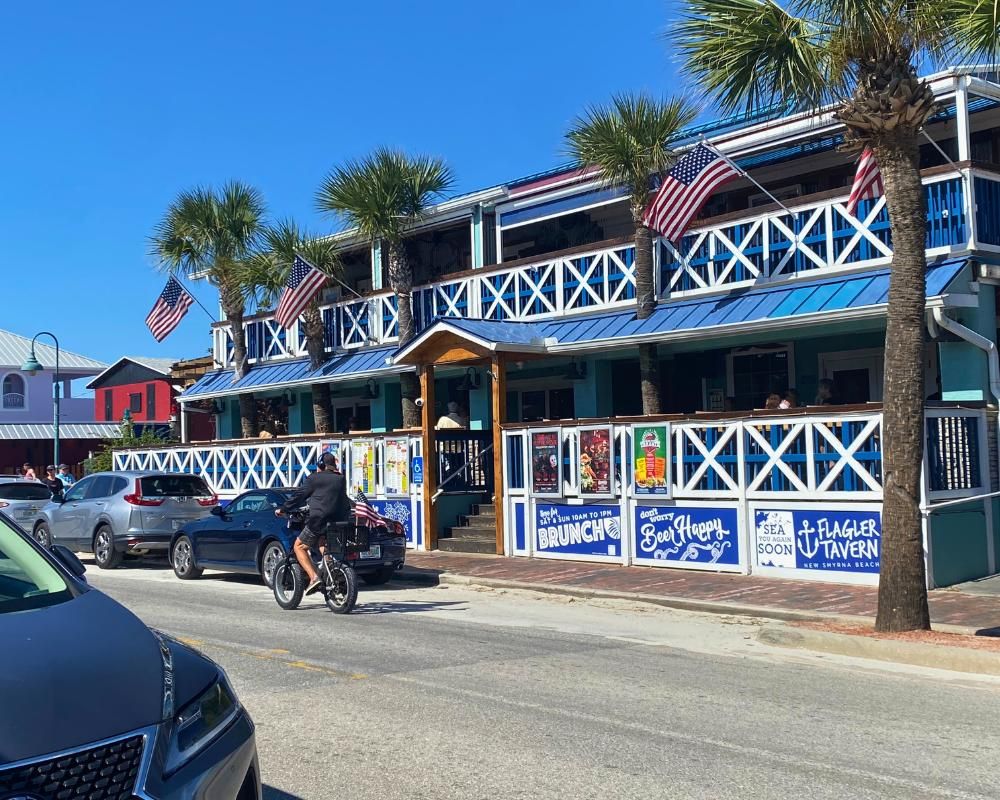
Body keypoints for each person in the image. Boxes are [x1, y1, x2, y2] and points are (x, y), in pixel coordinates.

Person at [275, 452, 351, 597]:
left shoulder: (314, 479)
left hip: (319, 520)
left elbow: (299, 496)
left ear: (321, 465)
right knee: (322, 542)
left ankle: (314, 577)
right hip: (338, 521)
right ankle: (331, 570)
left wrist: (283, 509)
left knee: (299, 546)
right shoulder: (341, 479)